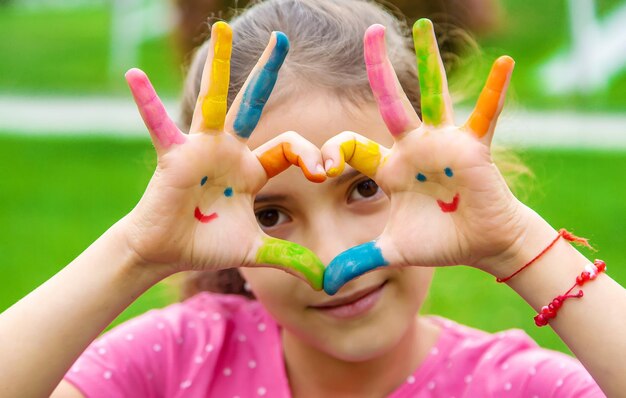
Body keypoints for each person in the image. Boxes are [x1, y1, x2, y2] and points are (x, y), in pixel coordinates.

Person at [0, 0, 624, 397]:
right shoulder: (173, 365)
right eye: (271, 213)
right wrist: (137, 252)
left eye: (365, 188)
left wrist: (520, 244)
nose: (331, 262)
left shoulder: (508, 387)